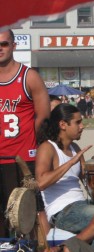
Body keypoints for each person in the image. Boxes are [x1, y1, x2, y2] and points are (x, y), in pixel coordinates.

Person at [0, 29, 50, 237]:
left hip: (20, 160)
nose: (0, 49)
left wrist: (28, 139)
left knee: (25, 217)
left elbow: (44, 117)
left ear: (13, 46)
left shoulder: (28, 77)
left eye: (3, 44)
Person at [35, 104, 94, 249]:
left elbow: (86, 181)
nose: (82, 126)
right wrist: (71, 162)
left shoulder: (75, 148)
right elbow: (41, 182)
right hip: (62, 212)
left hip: (81, 205)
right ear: (63, 124)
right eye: (77, 122)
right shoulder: (47, 148)